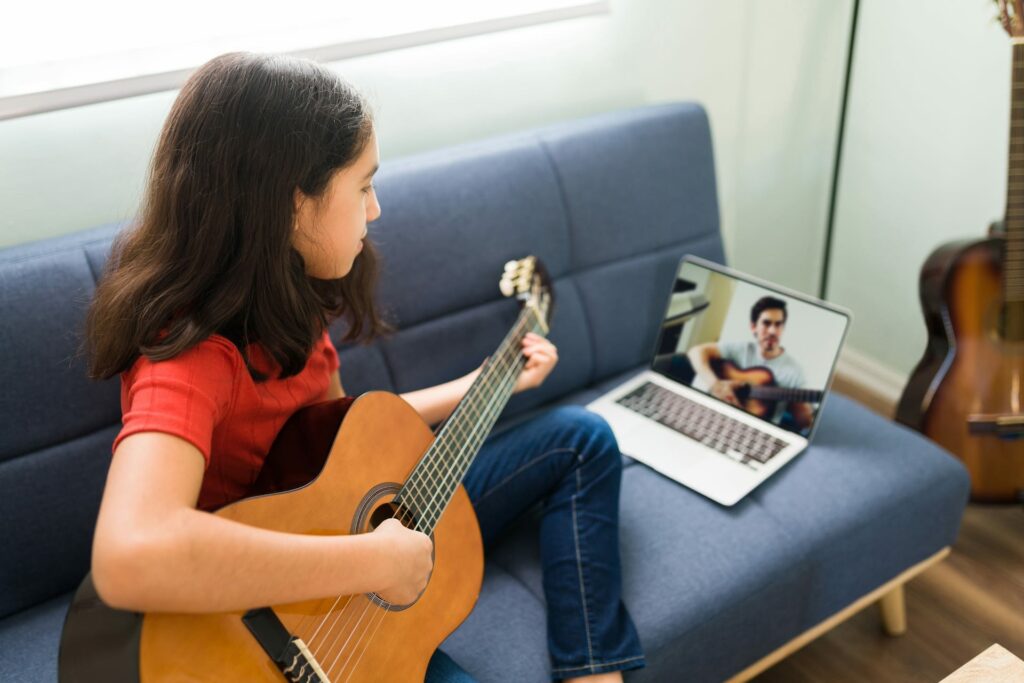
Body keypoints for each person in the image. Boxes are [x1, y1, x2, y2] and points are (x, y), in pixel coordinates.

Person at [83, 52, 645, 682]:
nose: (375, 210)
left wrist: (479, 385)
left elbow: (345, 448)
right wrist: (372, 563)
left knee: (581, 437)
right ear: (294, 203)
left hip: (353, 554)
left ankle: (594, 670)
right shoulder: (189, 357)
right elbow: (131, 554)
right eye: (364, 185)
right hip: (282, 627)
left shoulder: (288, 296)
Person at [687, 296, 813, 431]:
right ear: (753, 327)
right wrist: (715, 385)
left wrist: (803, 412)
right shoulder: (741, 349)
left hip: (755, 430)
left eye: (778, 324)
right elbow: (695, 351)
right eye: (766, 323)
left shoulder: (794, 372)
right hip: (714, 416)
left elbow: (804, 424)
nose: (772, 331)